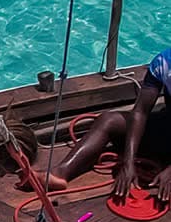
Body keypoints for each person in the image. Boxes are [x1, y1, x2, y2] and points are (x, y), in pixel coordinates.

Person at [52, 51, 171, 204]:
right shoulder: (163, 62)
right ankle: (61, 173)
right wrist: (129, 163)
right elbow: (140, 112)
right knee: (109, 120)